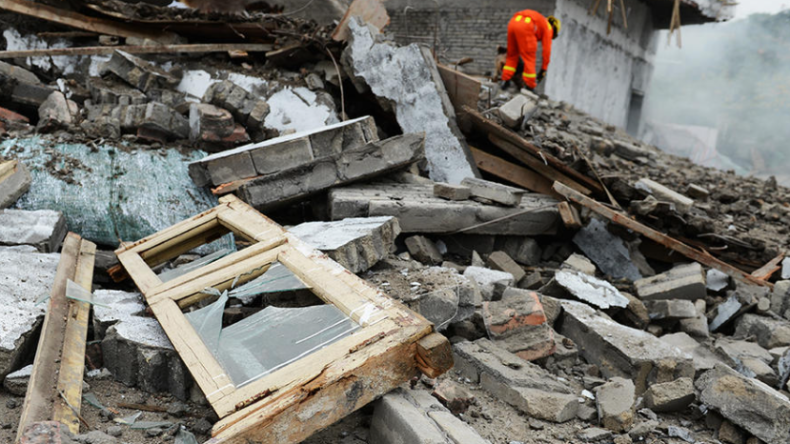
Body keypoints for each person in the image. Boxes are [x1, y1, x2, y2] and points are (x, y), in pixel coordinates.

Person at [500, 10, 561, 91]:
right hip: (527, 26)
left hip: (513, 22)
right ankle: (530, 86)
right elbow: (546, 51)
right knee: (529, 58)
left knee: (512, 55)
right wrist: (543, 69)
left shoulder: (541, 22)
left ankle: (505, 81)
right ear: (554, 28)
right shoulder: (548, 28)